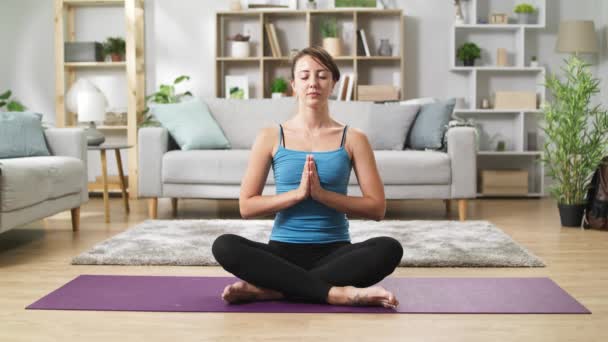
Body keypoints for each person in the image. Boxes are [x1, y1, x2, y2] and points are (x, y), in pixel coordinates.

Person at [212, 46, 403, 309]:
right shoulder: (270, 136)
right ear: (294, 84)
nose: (313, 83)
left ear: (333, 83)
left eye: (322, 76)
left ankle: (274, 290)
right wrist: (297, 195)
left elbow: (376, 208)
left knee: (389, 248)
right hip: (281, 253)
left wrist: (324, 196)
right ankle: (337, 293)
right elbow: (247, 206)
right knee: (225, 246)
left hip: (336, 253)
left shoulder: (354, 139)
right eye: (304, 76)